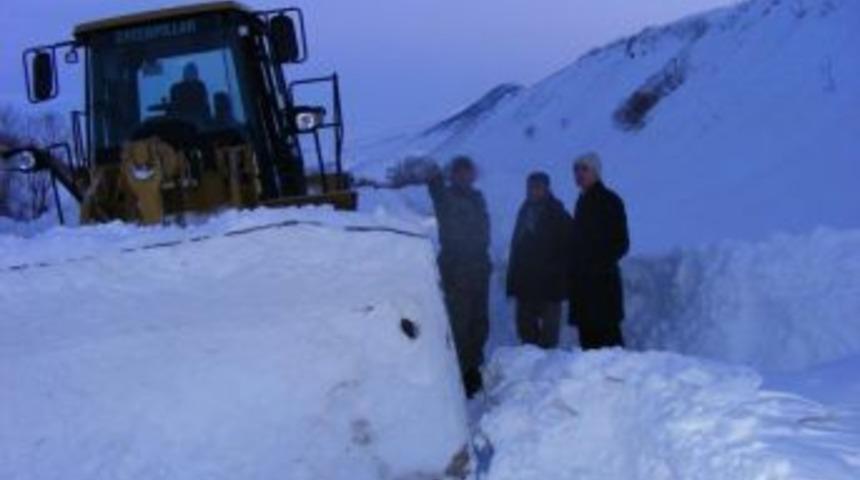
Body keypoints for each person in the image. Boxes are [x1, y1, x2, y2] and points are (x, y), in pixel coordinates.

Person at [427, 156, 491, 398]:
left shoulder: (478, 198)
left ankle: (474, 368)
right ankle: (459, 374)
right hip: (457, 270)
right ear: (452, 175)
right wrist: (434, 177)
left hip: (479, 268)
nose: (464, 176)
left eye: (468, 172)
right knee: (459, 325)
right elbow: (435, 190)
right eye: (459, 172)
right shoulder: (446, 197)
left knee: (480, 322)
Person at [568, 152, 630, 349]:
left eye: (584, 169)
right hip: (584, 286)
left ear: (596, 172)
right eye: (576, 170)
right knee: (588, 343)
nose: (579, 174)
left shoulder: (610, 201)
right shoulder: (582, 201)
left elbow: (621, 243)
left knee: (609, 343)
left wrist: (595, 266)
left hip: (602, 287)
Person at [506, 172, 571, 349]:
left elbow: (569, 248)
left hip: (550, 287)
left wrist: (560, 278)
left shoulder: (558, 213)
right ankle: (530, 373)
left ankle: (547, 375)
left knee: (549, 340)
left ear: (546, 189)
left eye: (537, 187)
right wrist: (513, 283)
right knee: (526, 337)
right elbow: (516, 248)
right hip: (525, 285)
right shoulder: (524, 211)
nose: (533, 191)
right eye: (530, 187)